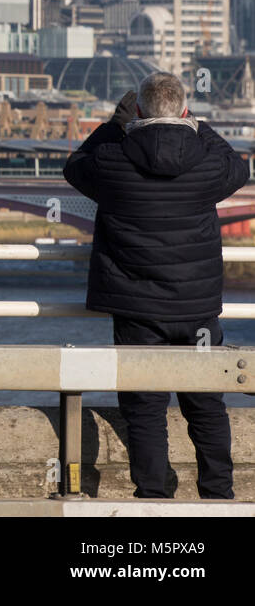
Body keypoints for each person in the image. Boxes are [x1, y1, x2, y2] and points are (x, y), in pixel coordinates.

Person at [63, 73, 247, 499]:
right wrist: (197, 123)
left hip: (138, 312)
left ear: (138, 112)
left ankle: (152, 496)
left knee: (144, 411)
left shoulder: (111, 158)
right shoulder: (206, 159)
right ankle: (218, 495)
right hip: (197, 310)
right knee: (206, 405)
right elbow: (239, 167)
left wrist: (113, 124)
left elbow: (74, 167)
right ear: (183, 111)